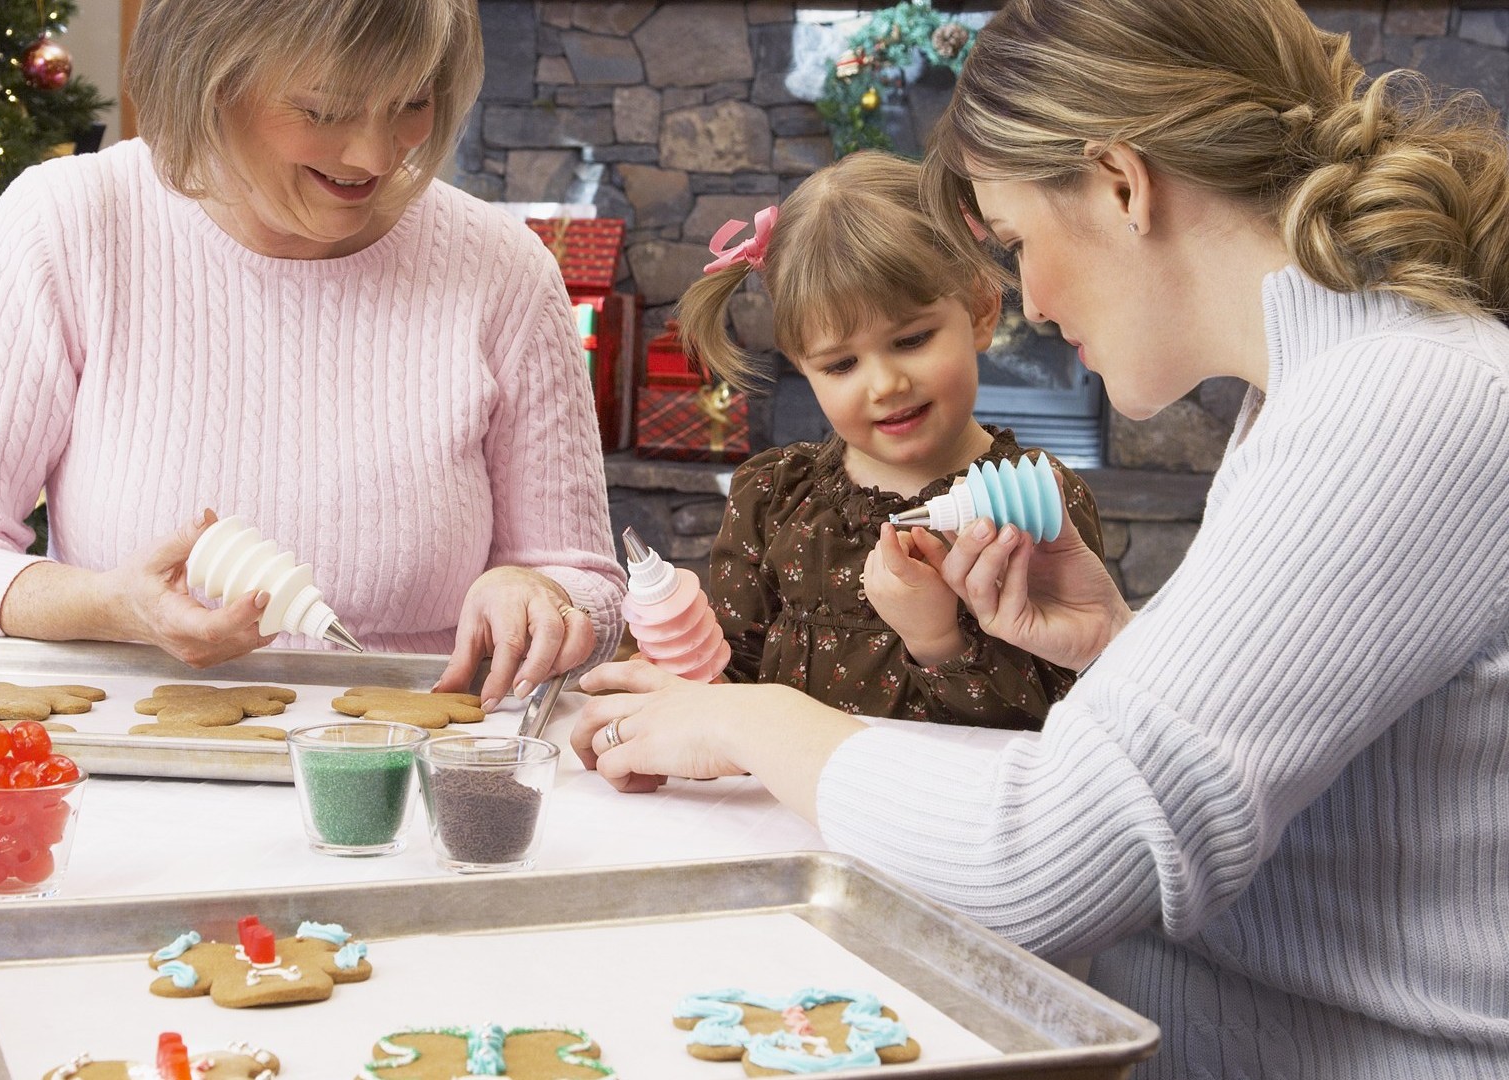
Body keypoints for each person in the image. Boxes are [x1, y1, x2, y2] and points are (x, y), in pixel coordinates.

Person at [574, 0, 1509, 1074]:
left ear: (1122, 183)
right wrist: (1120, 643)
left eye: (1015, 240)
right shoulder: (1325, 386)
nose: (1030, 300)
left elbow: (1050, 864)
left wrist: (752, 722)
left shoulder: (1401, 402)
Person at [0, 0, 625, 708]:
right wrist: (112, 608)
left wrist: (540, 597)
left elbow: (585, 582)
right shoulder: (70, 224)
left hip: (420, 769)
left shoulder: (501, 266)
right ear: (209, 82)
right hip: (131, 765)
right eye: (324, 110)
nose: (375, 153)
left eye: (411, 103)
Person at [673, 152, 1101, 727]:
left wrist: (938, 641)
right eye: (841, 364)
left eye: (911, 340)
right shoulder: (772, 498)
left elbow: (1069, 722)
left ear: (979, 311)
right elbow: (733, 686)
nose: (885, 385)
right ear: (804, 366)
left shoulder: (1039, 502)